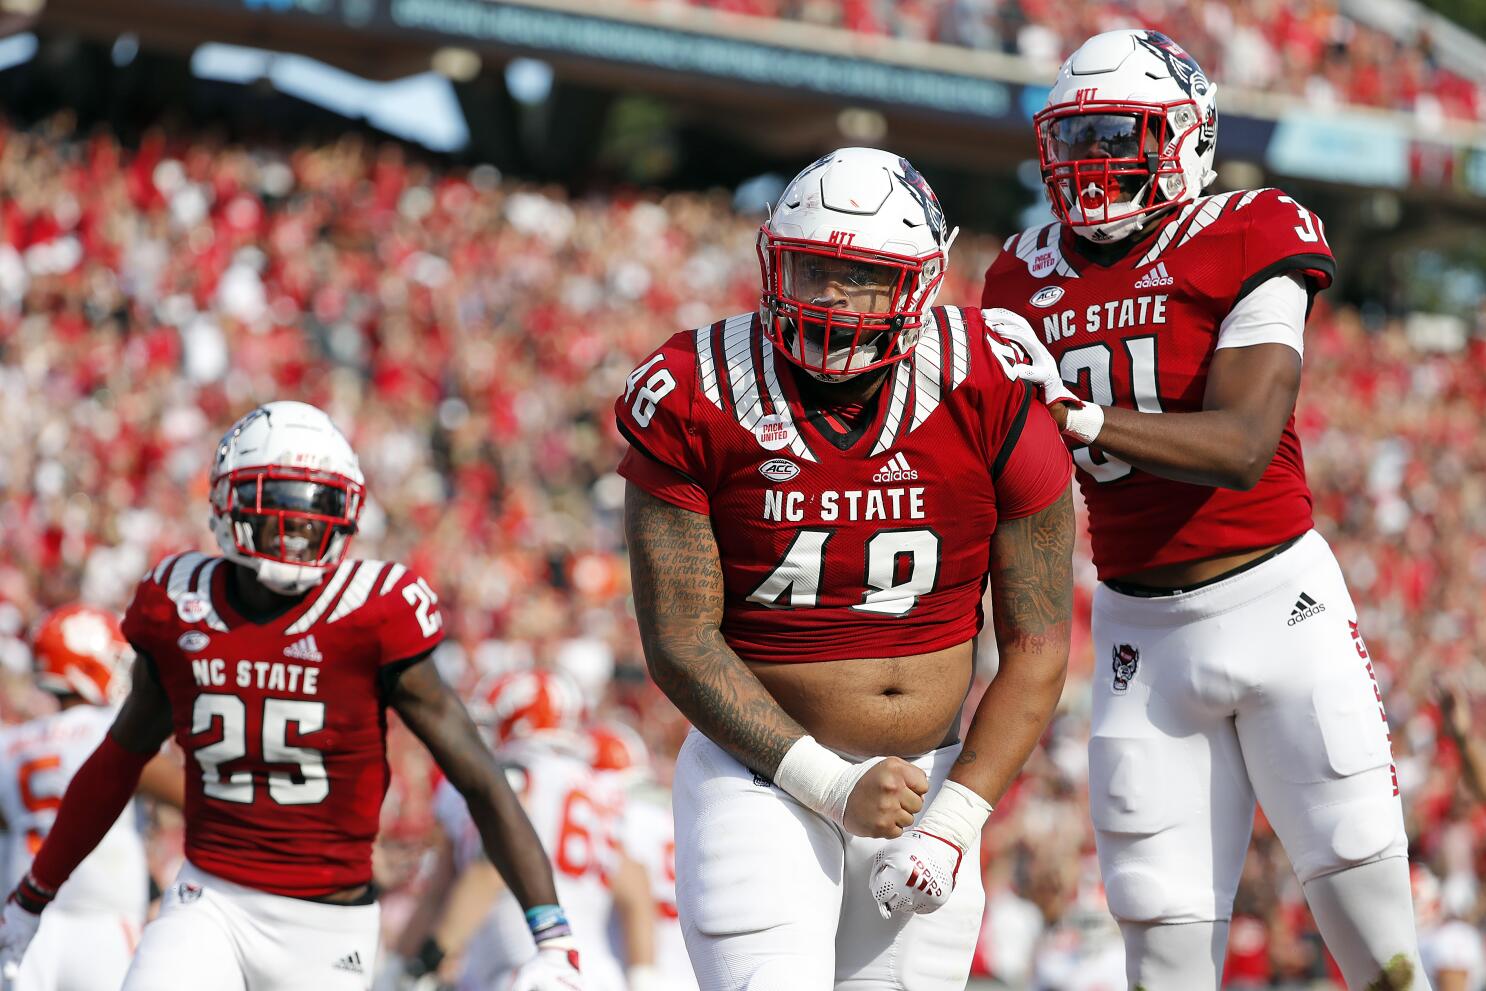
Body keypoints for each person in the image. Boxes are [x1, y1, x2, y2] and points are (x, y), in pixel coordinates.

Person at [981, 28, 1428, 990]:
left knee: (1381, 952)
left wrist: (1083, 414)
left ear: (1186, 135)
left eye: (1118, 135)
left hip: (1281, 607)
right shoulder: (1017, 275)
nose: (1093, 162)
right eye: (1078, 137)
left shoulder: (1251, 228)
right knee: (1162, 952)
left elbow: (1241, 443)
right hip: (1142, 634)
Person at [617, 146, 1076, 989]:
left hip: (926, 786)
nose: (830, 296)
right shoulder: (695, 387)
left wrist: (956, 819)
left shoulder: (991, 381)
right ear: (771, 259)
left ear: (921, 279)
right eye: (813, 267)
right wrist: (829, 784)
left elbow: (1041, 643)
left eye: (861, 275)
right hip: (760, 773)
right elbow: (679, 640)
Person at [0, 401, 584, 991]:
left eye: (317, 509)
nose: (300, 529)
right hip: (211, 901)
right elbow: (116, 762)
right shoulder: (179, 603)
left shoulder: (371, 611)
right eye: (280, 506)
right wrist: (31, 897)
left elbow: (478, 776)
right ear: (232, 504)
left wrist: (553, 935)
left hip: (329, 927)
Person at [380, 668, 645, 991]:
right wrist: (644, 974)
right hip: (594, 971)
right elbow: (635, 887)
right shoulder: (600, 787)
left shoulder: (513, 777)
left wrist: (424, 960)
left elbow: (485, 874)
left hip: (524, 967)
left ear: (518, 723)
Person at [0, 605, 182, 991]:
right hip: (103, 922)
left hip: (26, 919)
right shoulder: (107, 730)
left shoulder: (11, 744)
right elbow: (187, 795)